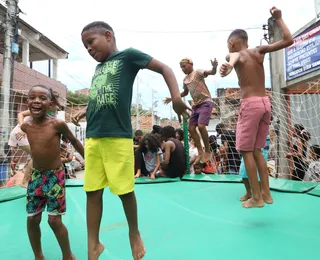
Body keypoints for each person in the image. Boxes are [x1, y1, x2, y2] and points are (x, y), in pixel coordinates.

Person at [71, 21, 190, 260]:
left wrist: (176, 97)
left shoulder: (128, 57)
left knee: (124, 190)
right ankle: (92, 244)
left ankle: (134, 233)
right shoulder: (99, 69)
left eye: (90, 43)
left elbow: (165, 68)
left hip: (117, 136)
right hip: (94, 138)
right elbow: (100, 96)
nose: (88, 49)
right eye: (85, 47)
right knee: (92, 191)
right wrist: (85, 110)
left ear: (108, 35)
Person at [219, 6, 293, 208]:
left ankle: (256, 198)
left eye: (228, 46)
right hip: (265, 103)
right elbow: (288, 40)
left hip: (250, 105)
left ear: (231, 43)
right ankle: (267, 194)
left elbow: (234, 57)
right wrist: (279, 18)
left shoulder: (234, 54)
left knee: (246, 151)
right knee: (258, 150)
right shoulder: (259, 51)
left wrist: (228, 65)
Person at [21, 85, 84, 260]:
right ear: (28, 102)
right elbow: (22, 121)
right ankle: (38, 255)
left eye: (42, 98)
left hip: (55, 177)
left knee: (54, 220)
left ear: (50, 103)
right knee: (32, 219)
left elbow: (74, 141)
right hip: (36, 177)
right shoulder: (26, 127)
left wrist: (89, 161)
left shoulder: (57, 124)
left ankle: (67, 255)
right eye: (32, 97)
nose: (36, 101)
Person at [164, 57, 218, 165]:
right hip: (196, 105)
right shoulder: (185, 80)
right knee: (191, 128)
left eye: (184, 66)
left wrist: (214, 67)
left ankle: (207, 150)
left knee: (201, 126)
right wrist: (172, 98)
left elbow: (211, 72)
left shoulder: (198, 72)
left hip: (206, 102)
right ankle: (200, 151)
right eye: (181, 68)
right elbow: (185, 93)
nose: (183, 69)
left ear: (191, 64)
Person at [239, 135, 270, 201]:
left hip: (261, 139)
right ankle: (249, 193)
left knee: (259, 170)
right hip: (249, 136)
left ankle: (260, 193)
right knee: (244, 169)